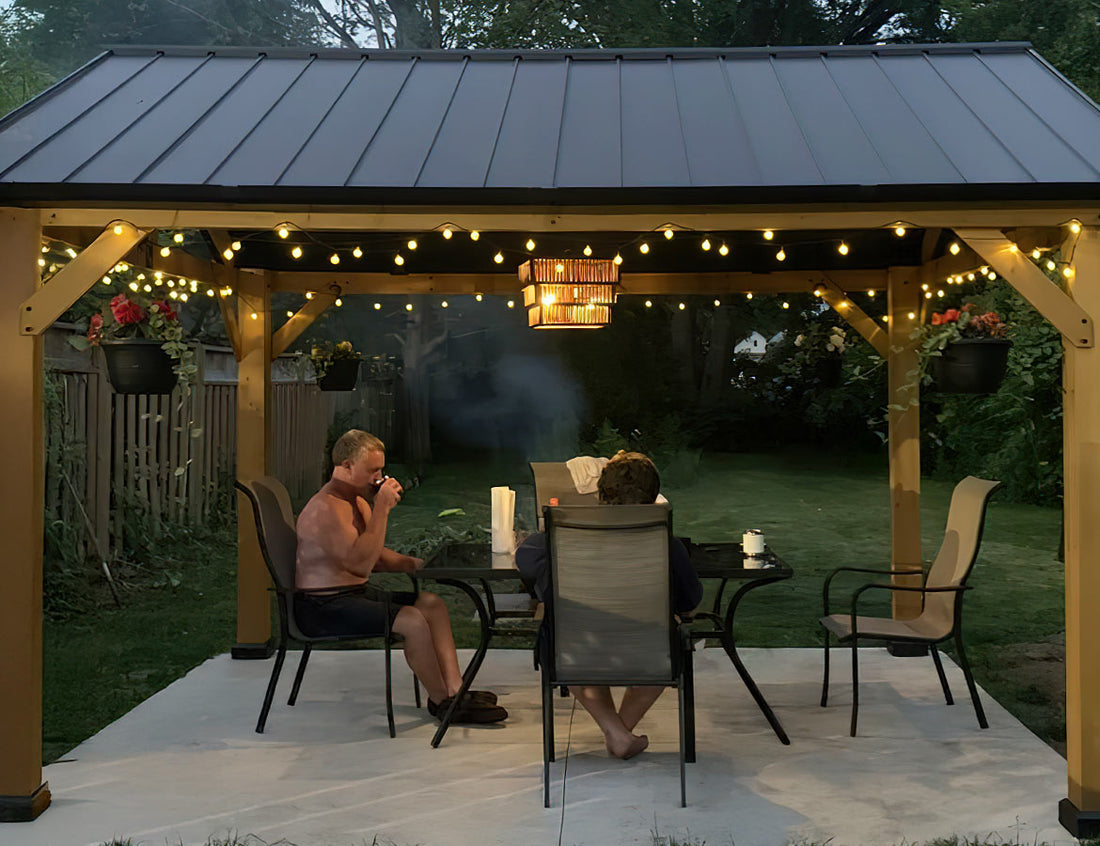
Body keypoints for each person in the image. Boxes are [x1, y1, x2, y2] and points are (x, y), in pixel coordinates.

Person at [295, 429, 506, 724]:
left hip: (354, 595)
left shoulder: (355, 501)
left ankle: (456, 691)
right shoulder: (326, 508)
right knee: (411, 620)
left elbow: (376, 555)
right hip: (323, 606)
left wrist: (420, 565)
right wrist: (381, 509)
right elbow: (360, 565)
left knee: (431, 603)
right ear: (346, 466)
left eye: (381, 469)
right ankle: (442, 702)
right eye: (373, 470)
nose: (379, 477)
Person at [515, 451, 702, 759]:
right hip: (650, 653)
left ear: (600, 493)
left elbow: (525, 562)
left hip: (577, 652)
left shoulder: (562, 537)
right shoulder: (666, 542)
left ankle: (616, 732)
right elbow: (690, 602)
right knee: (672, 640)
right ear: (655, 496)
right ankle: (620, 733)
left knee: (569, 637)